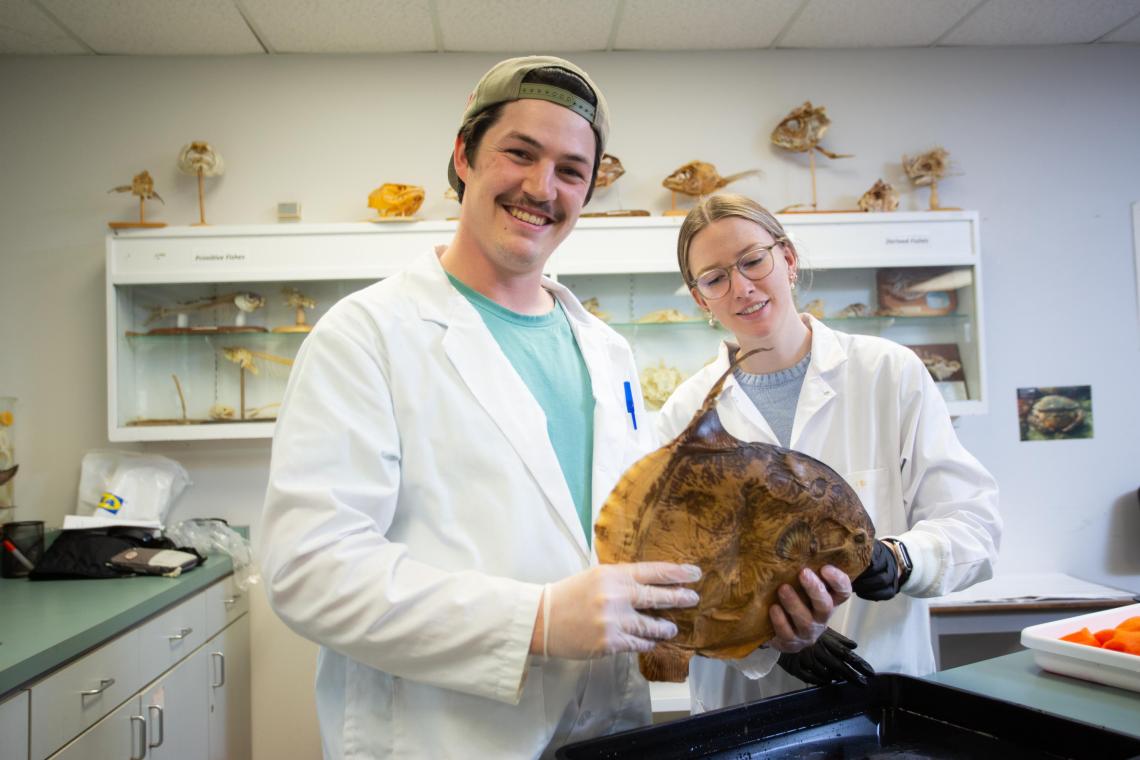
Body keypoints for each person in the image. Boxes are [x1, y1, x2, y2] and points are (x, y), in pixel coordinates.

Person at [257, 58, 833, 759]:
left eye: (570, 170)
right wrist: (535, 620)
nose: (541, 187)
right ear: (464, 157)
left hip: (603, 733)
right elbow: (309, 569)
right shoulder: (368, 334)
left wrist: (761, 628)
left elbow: (640, 549)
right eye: (520, 154)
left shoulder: (605, 352)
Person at [657, 193, 1001, 713]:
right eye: (715, 278)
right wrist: (762, 640)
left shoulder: (889, 373)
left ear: (788, 260)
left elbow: (973, 521)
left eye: (753, 261)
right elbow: (675, 573)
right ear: (700, 296)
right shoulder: (684, 414)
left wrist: (901, 558)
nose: (742, 287)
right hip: (745, 708)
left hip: (879, 688)